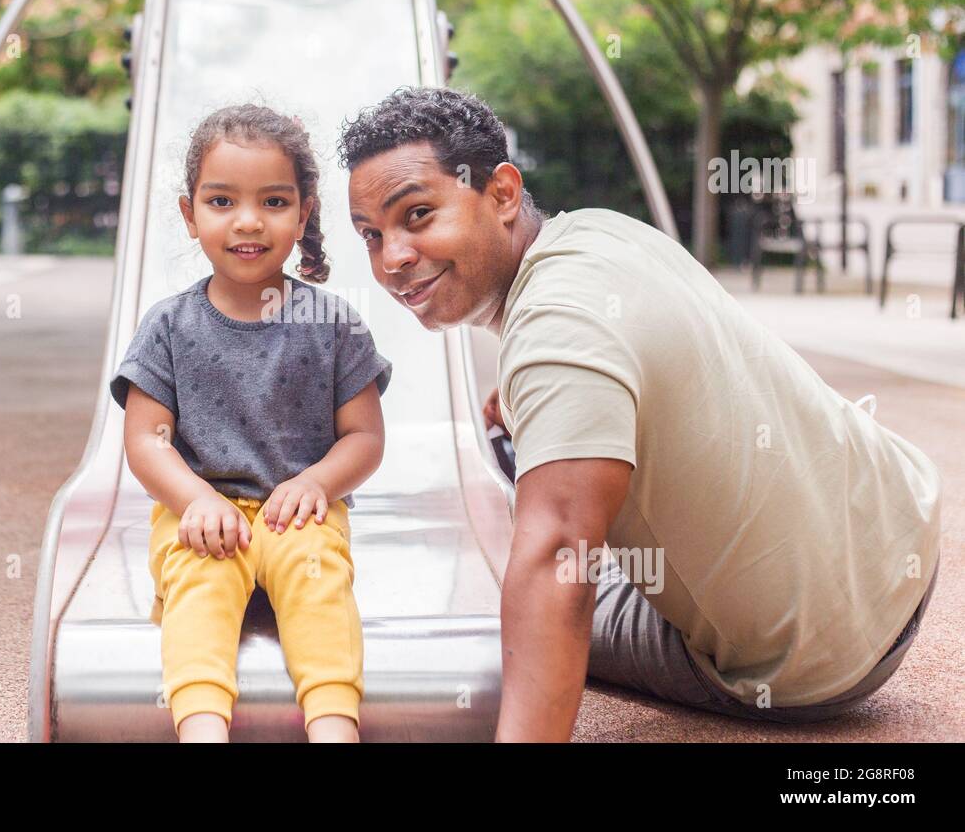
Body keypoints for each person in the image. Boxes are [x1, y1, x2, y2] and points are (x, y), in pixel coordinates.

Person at [339, 86, 941, 741]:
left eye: (419, 215)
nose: (391, 258)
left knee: (503, 599)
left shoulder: (558, 333)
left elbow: (557, 560)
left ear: (504, 193)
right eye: (371, 235)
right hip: (900, 533)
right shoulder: (598, 232)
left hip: (815, 658)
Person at [111, 104, 391, 742]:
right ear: (190, 214)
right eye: (220, 201)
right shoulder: (168, 325)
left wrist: (318, 483)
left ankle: (333, 724)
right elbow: (145, 440)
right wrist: (195, 499)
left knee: (320, 583)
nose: (247, 221)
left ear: (303, 211)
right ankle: (203, 729)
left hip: (300, 516)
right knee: (200, 587)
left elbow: (365, 438)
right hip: (204, 515)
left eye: (272, 201)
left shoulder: (335, 324)